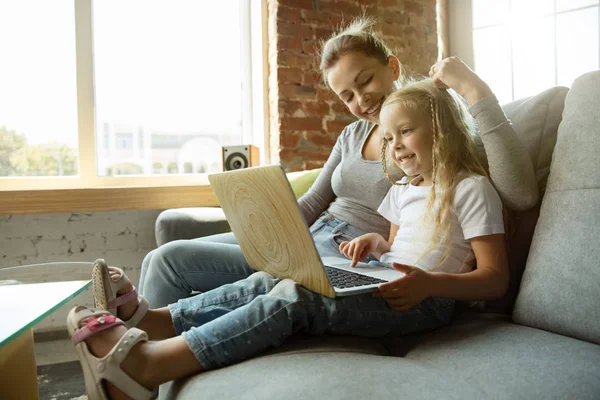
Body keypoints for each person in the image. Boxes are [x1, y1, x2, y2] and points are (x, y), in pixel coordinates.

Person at [68, 77, 509, 400]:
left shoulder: (471, 188)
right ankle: (157, 321)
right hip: (385, 281)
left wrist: (430, 284)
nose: (394, 147)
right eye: (389, 137)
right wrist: (376, 247)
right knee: (271, 281)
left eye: (405, 132)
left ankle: (147, 366)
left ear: (444, 129)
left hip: (428, 303)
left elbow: (493, 278)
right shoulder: (404, 189)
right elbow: (395, 246)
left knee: (298, 297)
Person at [136, 18, 537, 310]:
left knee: (172, 264)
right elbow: (313, 202)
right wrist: (263, 228)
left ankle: (135, 364)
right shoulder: (351, 135)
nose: (360, 101)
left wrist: (475, 90)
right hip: (308, 235)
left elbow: (519, 193)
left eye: (365, 82)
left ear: (392, 68)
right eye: (347, 95)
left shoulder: (430, 138)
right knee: (163, 255)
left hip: (344, 250)